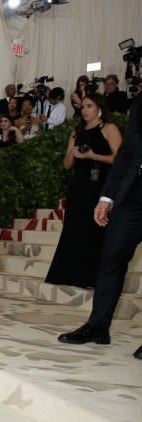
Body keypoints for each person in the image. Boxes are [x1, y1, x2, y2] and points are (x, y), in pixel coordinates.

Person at [58, 92, 142, 357]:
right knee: (111, 257)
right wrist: (107, 196)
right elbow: (128, 153)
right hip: (133, 195)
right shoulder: (141, 102)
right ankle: (97, 327)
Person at [46, 94, 122, 288]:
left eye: (89, 106)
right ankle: (69, 275)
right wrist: (73, 151)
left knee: (95, 231)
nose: (85, 110)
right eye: (82, 107)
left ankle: (94, 277)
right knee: (74, 228)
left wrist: (92, 155)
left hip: (101, 187)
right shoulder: (76, 131)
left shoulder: (109, 128)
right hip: (79, 186)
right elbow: (66, 165)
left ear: (99, 108)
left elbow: (120, 160)